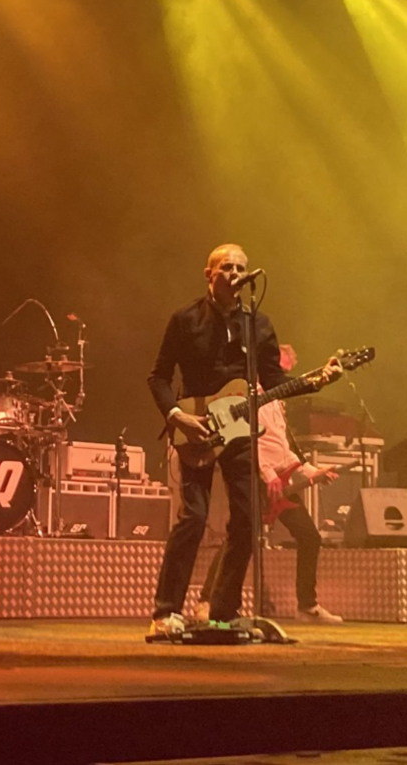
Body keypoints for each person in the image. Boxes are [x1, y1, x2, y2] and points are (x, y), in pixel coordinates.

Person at [147, 244, 344, 636]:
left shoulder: (258, 324)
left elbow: (272, 380)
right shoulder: (185, 319)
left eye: (241, 267)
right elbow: (158, 376)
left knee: (247, 520)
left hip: (240, 431)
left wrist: (316, 381)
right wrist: (177, 415)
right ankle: (165, 612)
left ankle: (223, 610)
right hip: (196, 427)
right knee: (195, 517)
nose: (235, 272)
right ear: (209, 274)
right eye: (227, 267)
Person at [194, 344, 343, 624]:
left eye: (286, 371)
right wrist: (268, 475)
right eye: (280, 369)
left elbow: (283, 449)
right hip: (257, 477)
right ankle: (205, 602)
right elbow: (249, 440)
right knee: (239, 539)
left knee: (309, 537)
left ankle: (307, 607)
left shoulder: (277, 402)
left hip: (279, 480)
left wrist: (312, 471)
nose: (283, 376)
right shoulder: (247, 396)